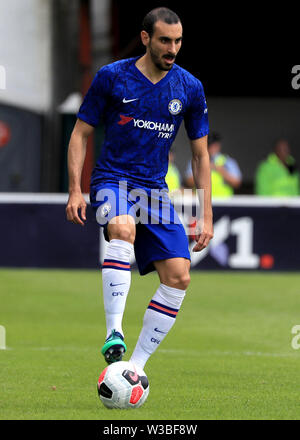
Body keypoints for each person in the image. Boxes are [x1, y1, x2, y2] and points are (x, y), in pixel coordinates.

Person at [66, 7, 213, 370]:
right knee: (122, 227)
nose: (172, 48)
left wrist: (206, 213)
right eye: (165, 40)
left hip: (154, 191)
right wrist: (74, 189)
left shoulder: (189, 88)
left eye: (178, 41)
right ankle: (113, 332)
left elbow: (200, 155)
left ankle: (135, 367)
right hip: (112, 179)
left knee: (179, 276)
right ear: (146, 38)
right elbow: (80, 133)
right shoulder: (111, 77)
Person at [185, 132, 242, 197]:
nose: (212, 148)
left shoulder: (228, 161)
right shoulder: (196, 160)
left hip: (224, 202)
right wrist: (204, 170)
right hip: (202, 201)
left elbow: (237, 183)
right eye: (209, 145)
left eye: (214, 145)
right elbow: (189, 182)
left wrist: (221, 170)